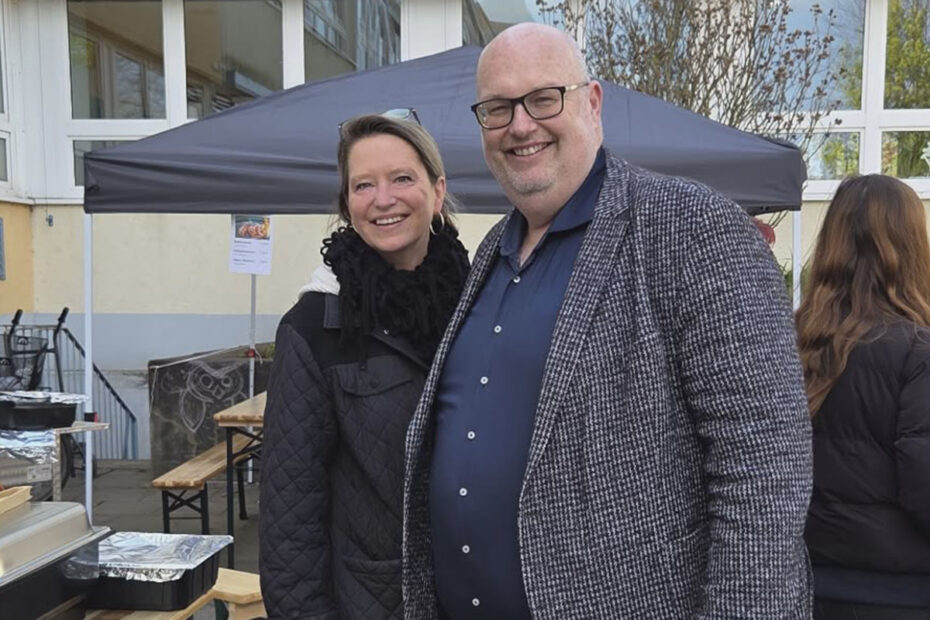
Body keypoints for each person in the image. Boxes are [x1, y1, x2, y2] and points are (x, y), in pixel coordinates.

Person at [403, 23, 813, 619]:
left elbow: (764, 469)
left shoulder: (692, 228)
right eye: (497, 108)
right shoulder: (492, 249)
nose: (520, 124)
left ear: (592, 103)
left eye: (544, 98)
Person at [259, 113, 470, 619]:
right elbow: (290, 529)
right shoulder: (315, 325)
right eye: (363, 185)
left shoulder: (479, 304)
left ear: (437, 192)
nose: (383, 199)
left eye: (402, 178)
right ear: (347, 204)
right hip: (375, 603)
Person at [797, 174, 930, 619]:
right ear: (912, 246)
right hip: (899, 595)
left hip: (801, 584)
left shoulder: (784, 339)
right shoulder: (918, 351)